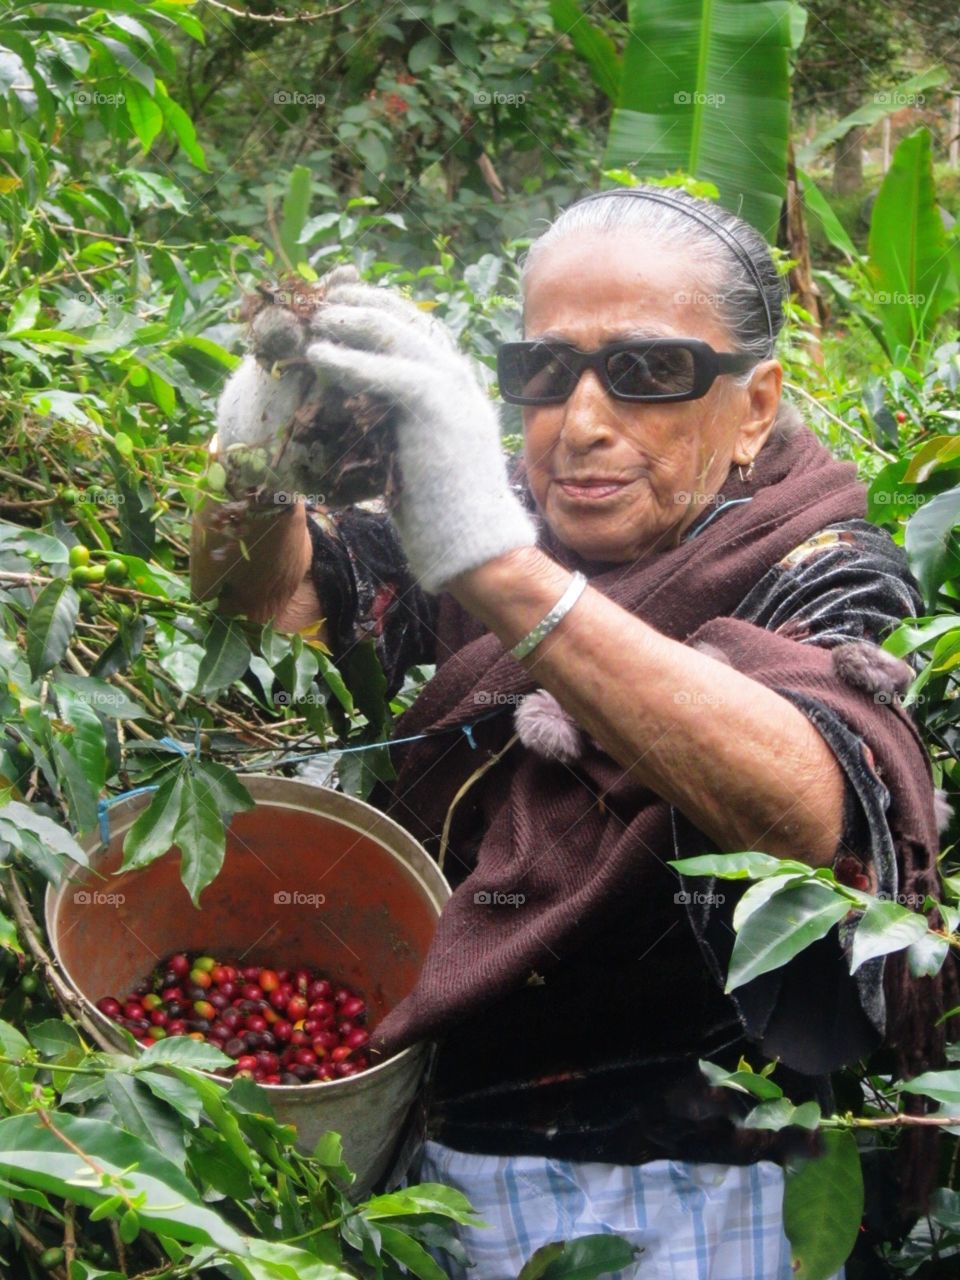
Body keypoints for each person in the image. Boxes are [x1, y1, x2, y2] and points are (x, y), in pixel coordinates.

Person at [191, 186, 953, 1280]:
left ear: (753, 405)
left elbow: (815, 803)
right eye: (542, 374)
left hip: (701, 1185)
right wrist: (252, 464)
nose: (582, 420)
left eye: (647, 373)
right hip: (443, 1151)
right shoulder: (499, 508)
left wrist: (500, 566)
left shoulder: (818, 566)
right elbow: (274, 601)